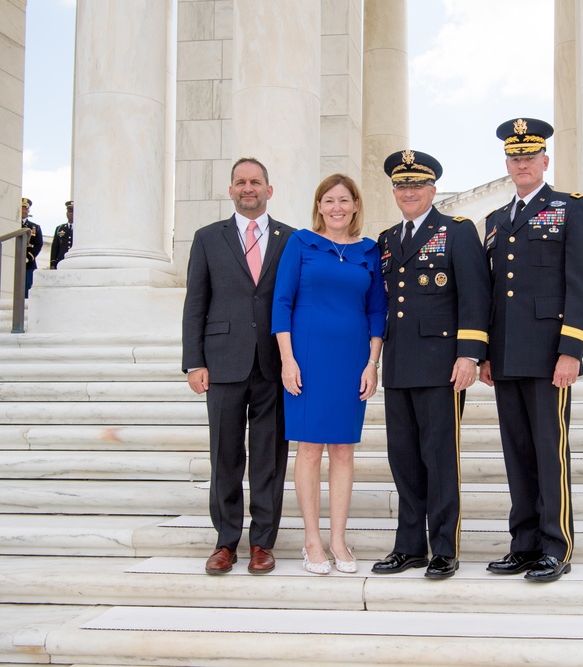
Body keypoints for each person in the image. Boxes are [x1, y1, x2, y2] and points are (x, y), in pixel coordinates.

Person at [480, 118, 583, 583]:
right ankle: (524, 544)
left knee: (550, 451)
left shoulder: (569, 209)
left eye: (529, 156)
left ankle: (556, 544)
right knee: (517, 453)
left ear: (545, 161)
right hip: (508, 357)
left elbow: (582, 285)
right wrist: (486, 353)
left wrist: (572, 350)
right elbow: (492, 293)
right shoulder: (495, 221)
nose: (522, 163)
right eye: (514, 157)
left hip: (551, 357)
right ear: (507, 164)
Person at [370, 150, 491, 580]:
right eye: (402, 186)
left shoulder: (456, 232)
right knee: (403, 458)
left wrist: (470, 354)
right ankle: (409, 546)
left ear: (432, 189)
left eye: (417, 185)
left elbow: (475, 295)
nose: (409, 192)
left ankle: (444, 546)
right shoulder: (386, 240)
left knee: (438, 458)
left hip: (442, 366)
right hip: (400, 365)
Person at [182, 157, 294, 575]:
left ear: (269, 189)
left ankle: (263, 541)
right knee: (225, 456)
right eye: (240, 182)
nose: (248, 188)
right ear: (231, 190)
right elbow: (196, 303)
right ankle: (226, 541)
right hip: (223, 362)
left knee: (269, 458)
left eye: (256, 182)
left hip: (272, 365)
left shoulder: (291, 239)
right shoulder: (208, 238)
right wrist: (194, 361)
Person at [272, 173, 386, 575]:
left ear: (356, 205)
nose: (336, 207)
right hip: (306, 357)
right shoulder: (300, 243)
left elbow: (377, 312)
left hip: (352, 359)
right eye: (328, 200)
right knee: (308, 449)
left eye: (344, 200)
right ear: (318, 206)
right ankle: (312, 540)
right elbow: (282, 302)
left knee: (342, 450)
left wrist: (372, 363)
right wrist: (287, 359)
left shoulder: (370, 251)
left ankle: (338, 539)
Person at [20, 198, 42, 297]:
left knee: (26, 289)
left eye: (25, 208)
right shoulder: (13, 224)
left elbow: (38, 244)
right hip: (13, 259)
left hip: (28, 263)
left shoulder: (35, 227)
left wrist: (29, 257)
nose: (23, 211)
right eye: (21, 208)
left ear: (28, 211)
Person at [50, 201, 74, 269]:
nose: (71, 214)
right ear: (66, 213)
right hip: (61, 261)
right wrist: (53, 263)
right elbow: (55, 247)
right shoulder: (60, 228)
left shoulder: (80, 229)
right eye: (69, 212)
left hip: (74, 260)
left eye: (73, 212)